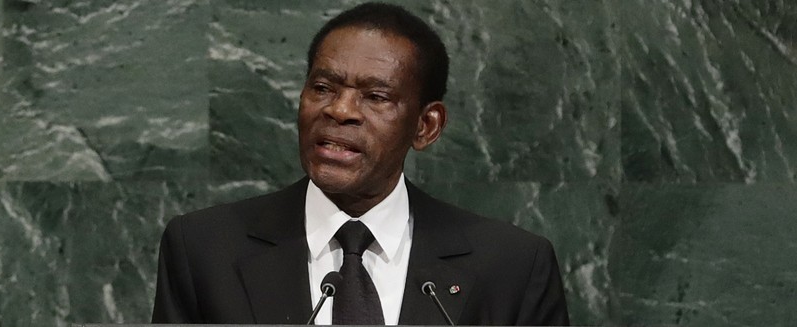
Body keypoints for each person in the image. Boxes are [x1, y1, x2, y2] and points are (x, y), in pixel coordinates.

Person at [152, 2, 569, 325]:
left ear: (426, 126)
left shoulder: (513, 266)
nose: (340, 110)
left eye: (375, 97)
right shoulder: (203, 250)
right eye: (322, 87)